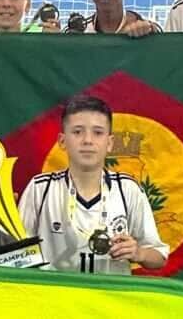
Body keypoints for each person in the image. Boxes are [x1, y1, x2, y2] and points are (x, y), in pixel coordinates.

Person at [17, 94, 168, 275]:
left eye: (98, 132)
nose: (87, 140)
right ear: (62, 141)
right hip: (55, 298)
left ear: (110, 142)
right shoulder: (40, 189)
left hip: (110, 298)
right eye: (77, 131)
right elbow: (16, 257)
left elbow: (159, 257)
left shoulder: (128, 189)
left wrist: (139, 253)